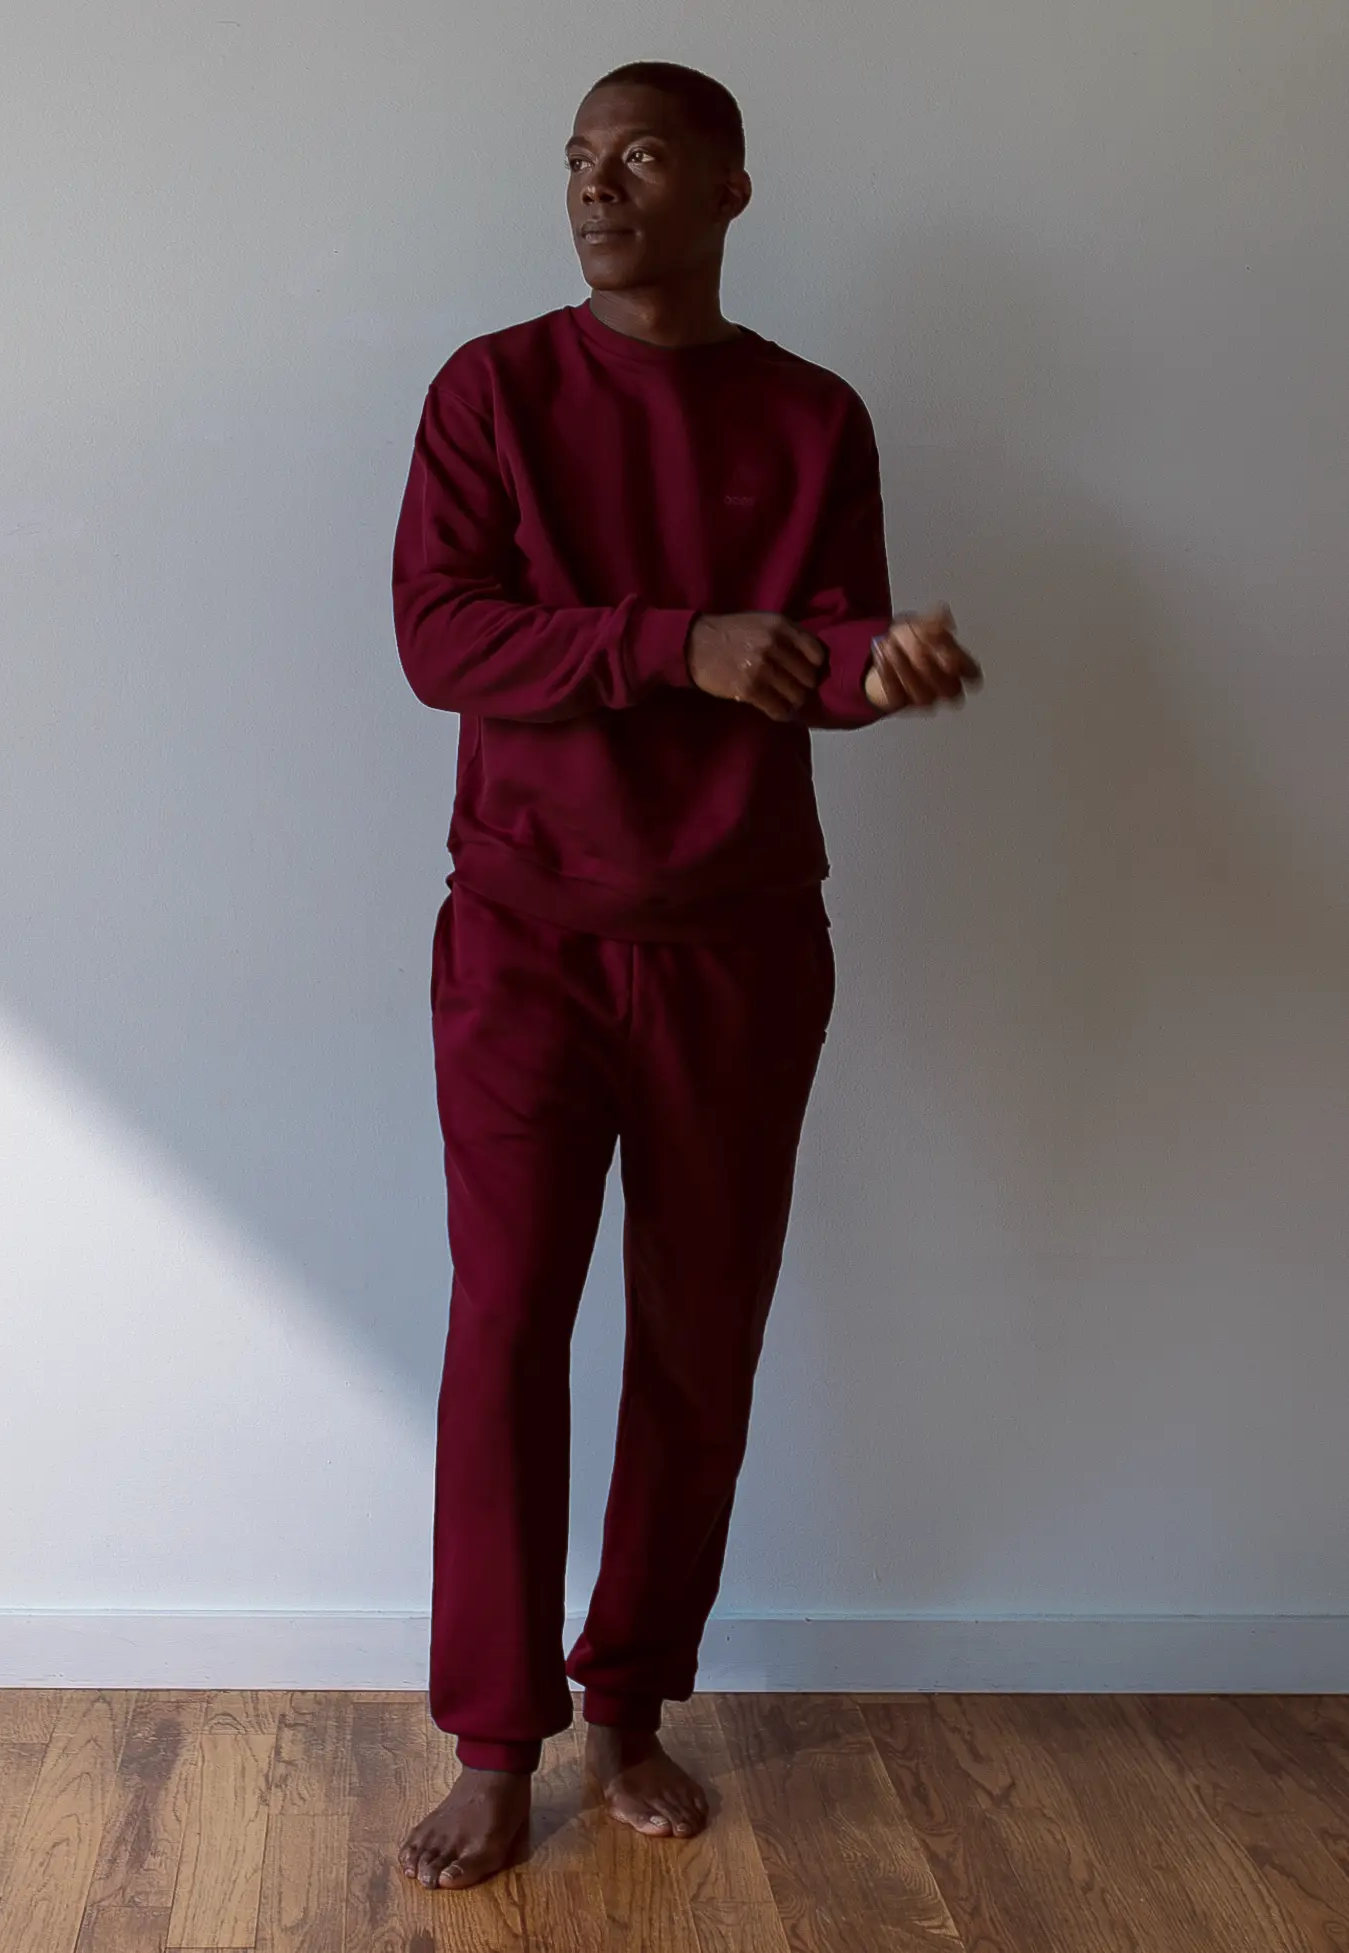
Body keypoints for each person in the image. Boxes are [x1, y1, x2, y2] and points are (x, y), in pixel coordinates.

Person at [388, 58, 981, 1892]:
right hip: (526, 941)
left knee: (698, 1338)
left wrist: (879, 667)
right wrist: (676, 644)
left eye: (640, 155)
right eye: (579, 157)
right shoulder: (493, 390)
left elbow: (819, 643)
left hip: (742, 944)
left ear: (729, 188)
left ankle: (630, 1701)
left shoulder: (812, 415)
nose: (596, 186)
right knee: (508, 1328)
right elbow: (442, 635)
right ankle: (496, 1742)